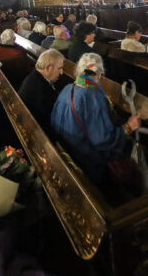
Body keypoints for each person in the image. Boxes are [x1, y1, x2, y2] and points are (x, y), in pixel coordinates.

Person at [50, 53, 141, 186]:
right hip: (88, 163)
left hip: (69, 154)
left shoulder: (67, 89)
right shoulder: (93, 98)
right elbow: (104, 141)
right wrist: (127, 128)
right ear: (99, 75)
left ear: (79, 71)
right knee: (136, 149)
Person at [17, 49, 65, 136]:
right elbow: (51, 120)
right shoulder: (38, 89)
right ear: (48, 68)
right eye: (59, 68)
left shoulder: (36, 77)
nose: (61, 72)